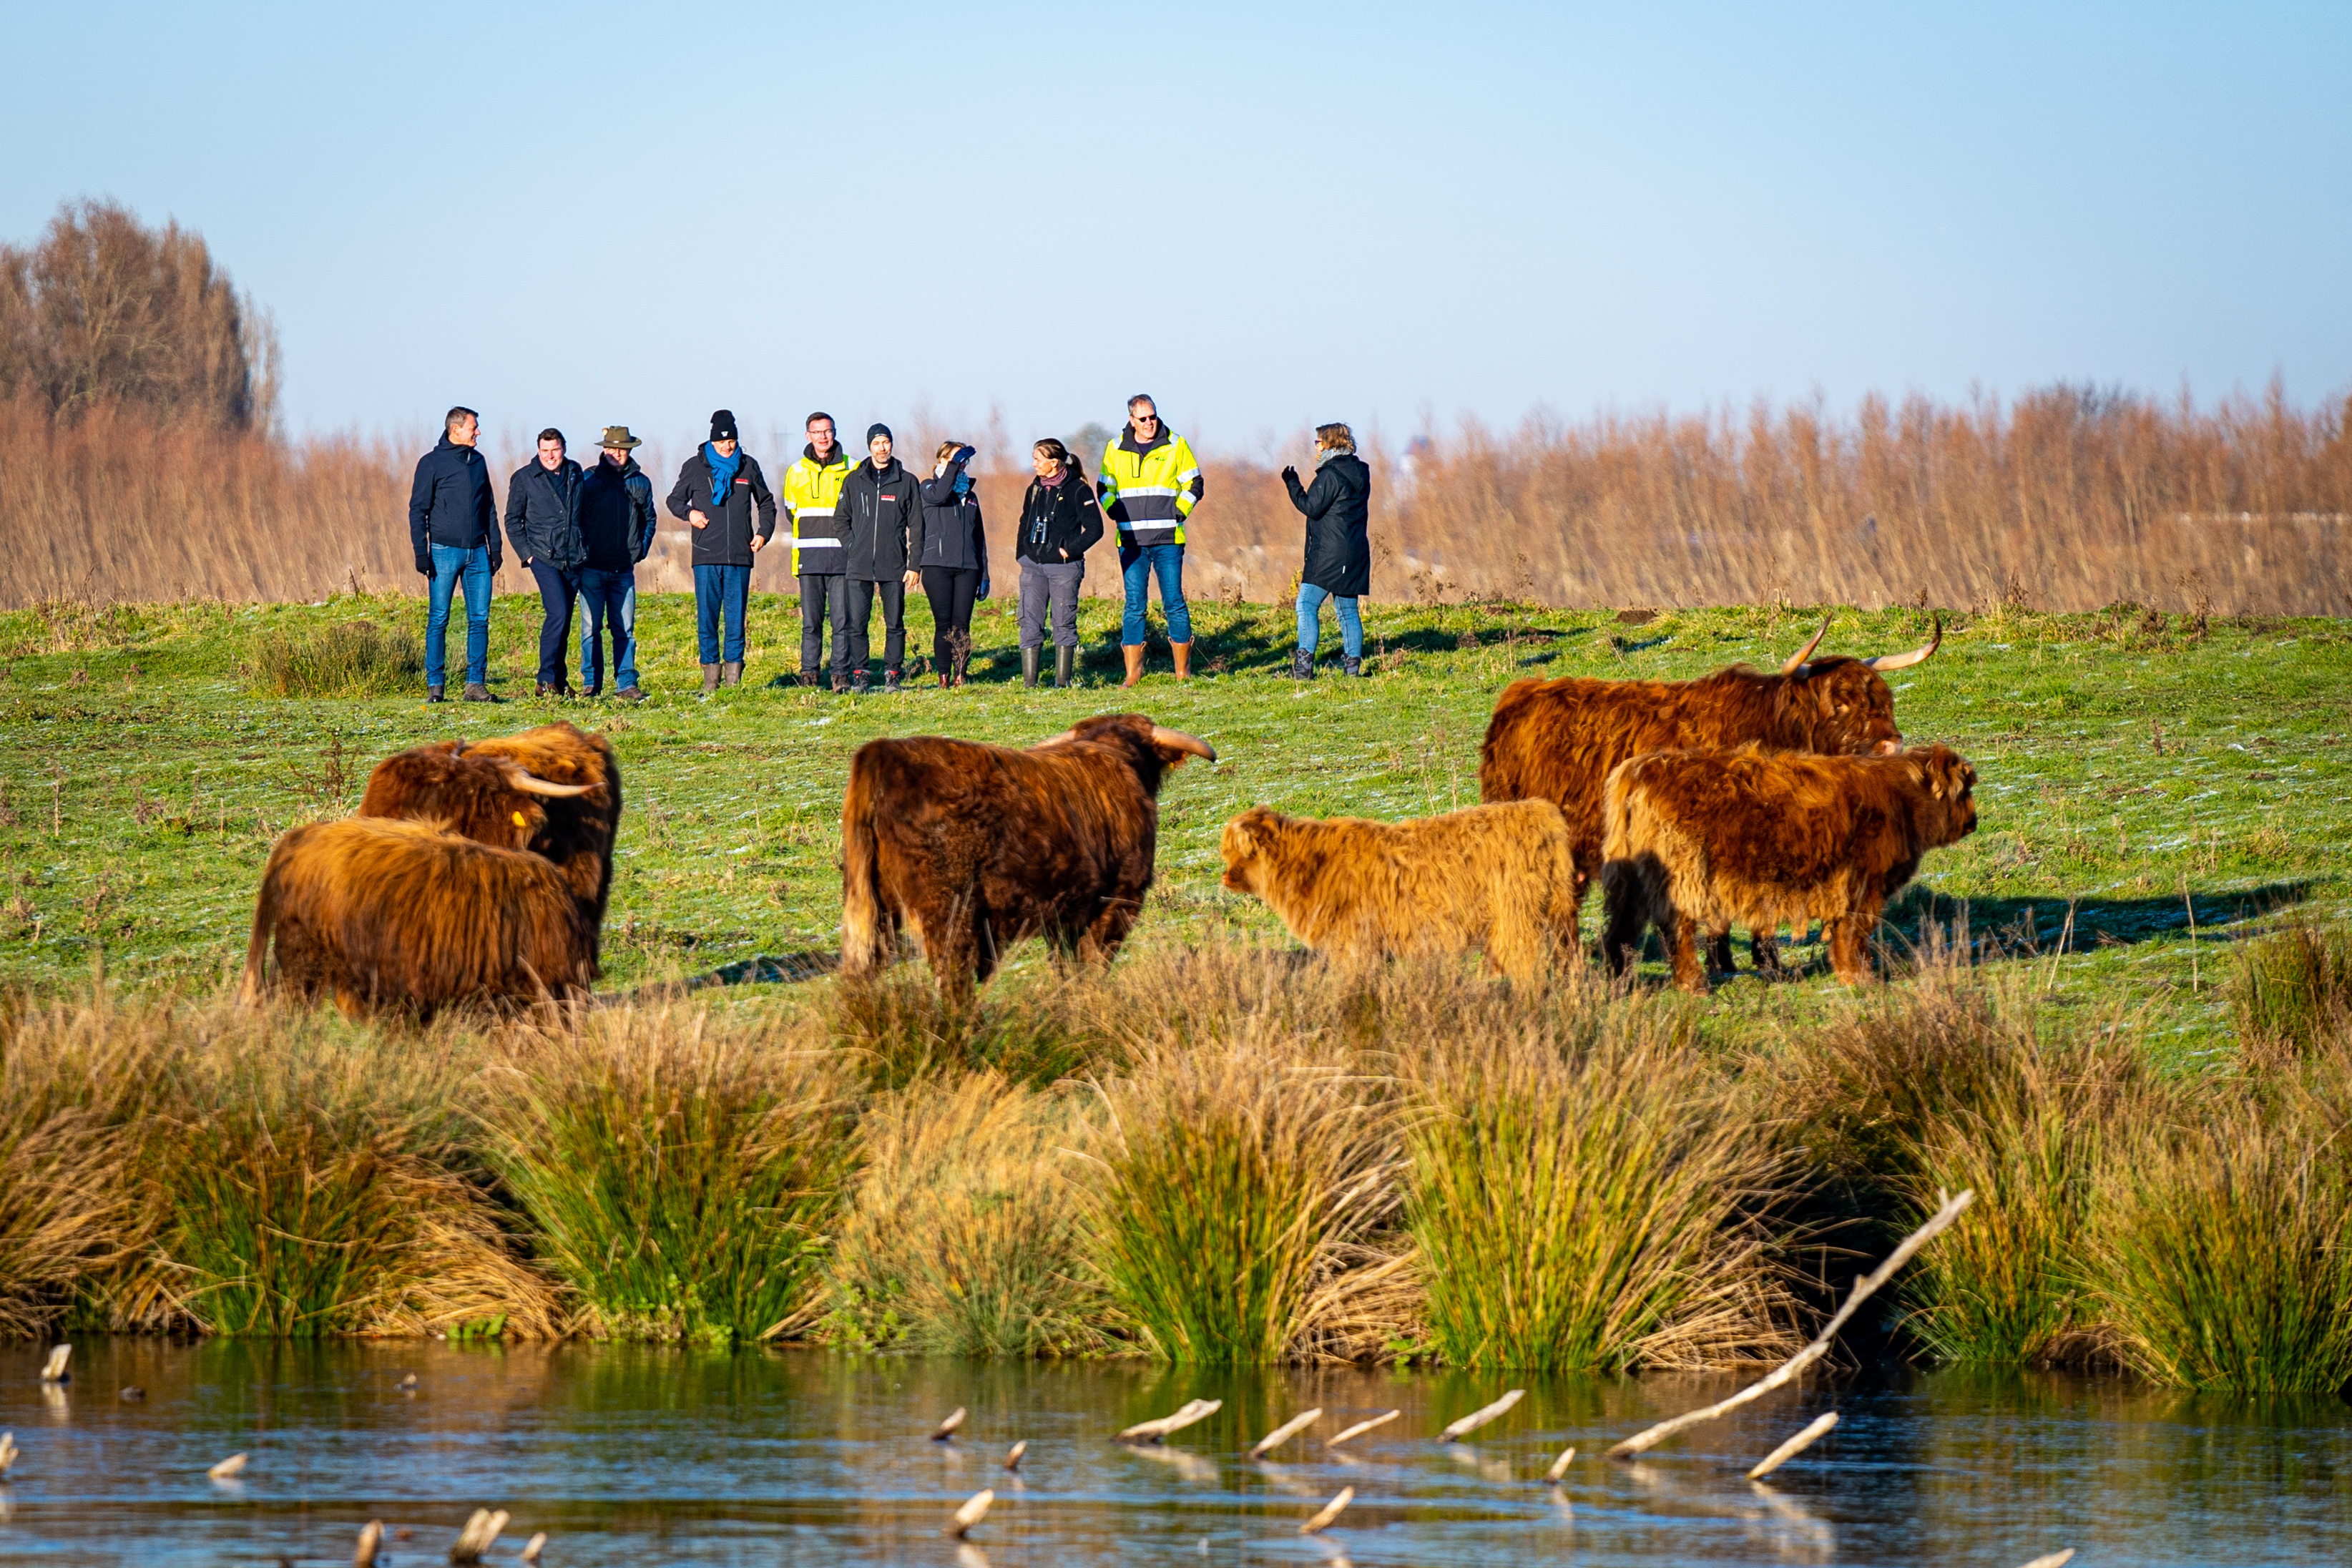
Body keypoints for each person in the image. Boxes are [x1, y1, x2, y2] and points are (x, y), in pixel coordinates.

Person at [667, 408, 775, 694]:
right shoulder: (695, 466)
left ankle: (733, 683)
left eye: (732, 442)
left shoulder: (748, 466)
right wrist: (690, 514)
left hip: (740, 556)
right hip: (705, 555)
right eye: (721, 443)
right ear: (712, 442)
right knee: (708, 619)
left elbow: (766, 503)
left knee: (736, 620)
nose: (728, 447)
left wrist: (764, 532)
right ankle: (710, 683)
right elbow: (673, 500)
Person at [1097, 393, 1202, 686]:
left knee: (1174, 603)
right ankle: (1133, 675)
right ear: (1131, 420)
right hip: (1131, 542)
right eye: (1143, 418)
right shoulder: (1114, 448)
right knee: (1134, 604)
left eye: (1153, 417)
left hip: (1168, 538)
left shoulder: (1176, 444)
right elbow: (1104, 486)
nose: (1149, 423)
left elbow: (1195, 482)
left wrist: (1179, 512)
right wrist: (1115, 511)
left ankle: (1183, 672)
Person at [406, 405, 501, 703]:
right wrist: (421, 552)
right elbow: (417, 510)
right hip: (443, 552)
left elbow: (489, 507)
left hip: (478, 553)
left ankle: (475, 685)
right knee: (439, 619)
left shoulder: (478, 461)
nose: (478, 432)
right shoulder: (431, 463)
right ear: (455, 429)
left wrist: (495, 548)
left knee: (480, 619)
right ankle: (436, 686)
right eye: (474, 427)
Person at [1280, 423, 1373, 679]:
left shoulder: (1331, 475)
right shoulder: (1360, 472)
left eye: (1319, 442)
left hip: (1329, 555)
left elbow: (1311, 507)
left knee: (1306, 604)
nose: (1316, 447)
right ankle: (1352, 671)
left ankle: (1303, 669)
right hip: (1355, 552)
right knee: (1347, 611)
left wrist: (1292, 483)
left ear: (1330, 443)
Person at [838, 422, 921, 694]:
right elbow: (841, 520)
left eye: (885, 442)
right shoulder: (854, 480)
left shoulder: (906, 481)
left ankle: (893, 676)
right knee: (856, 625)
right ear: (869, 446)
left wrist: (914, 565)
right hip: (858, 566)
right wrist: (853, 547)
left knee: (895, 624)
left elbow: (918, 526)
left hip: (894, 565)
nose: (881, 448)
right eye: (876, 443)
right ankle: (861, 676)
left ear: (892, 445)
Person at [576, 425, 657, 701]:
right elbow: (576, 520)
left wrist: (639, 550)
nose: (616, 454)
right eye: (611, 448)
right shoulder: (588, 480)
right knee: (591, 628)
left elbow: (650, 520)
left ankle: (626, 683)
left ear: (629, 451)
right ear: (604, 450)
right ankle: (591, 683)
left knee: (625, 630)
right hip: (592, 569)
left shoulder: (641, 482)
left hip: (623, 569)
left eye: (621, 449)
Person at [1016, 438, 1104, 689]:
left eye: (1038, 459)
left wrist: (1070, 550)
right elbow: (1024, 522)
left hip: (1065, 568)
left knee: (1063, 622)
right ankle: (1029, 685)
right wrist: (1022, 553)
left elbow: (1095, 529)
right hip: (1032, 565)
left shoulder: (1079, 490)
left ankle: (1061, 684)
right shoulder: (1034, 489)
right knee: (1029, 622)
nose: (1033, 464)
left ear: (1054, 463)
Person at [505, 427, 587, 697]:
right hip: (543, 556)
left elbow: (583, 513)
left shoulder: (575, 472)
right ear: (538, 451)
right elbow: (513, 521)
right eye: (544, 451)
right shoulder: (525, 478)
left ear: (563, 448)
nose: (550, 456)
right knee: (558, 613)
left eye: (555, 450)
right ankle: (545, 680)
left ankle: (559, 681)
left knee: (564, 620)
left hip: (573, 557)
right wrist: (528, 554)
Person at [781, 411, 854, 690]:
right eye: (817, 432)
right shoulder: (795, 471)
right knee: (811, 623)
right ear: (808, 436)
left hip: (842, 558)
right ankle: (809, 675)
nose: (823, 437)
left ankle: (840, 676)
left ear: (834, 433)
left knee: (842, 622)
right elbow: (791, 511)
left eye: (828, 431)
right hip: (809, 558)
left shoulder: (853, 467)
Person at [916, 439, 988, 688]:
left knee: (962, 625)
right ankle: (943, 677)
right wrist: (953, 467)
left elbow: (979, 538)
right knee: (943, 625)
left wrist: (984, 574)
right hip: (937, 567)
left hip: (968, 568)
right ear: (942, 460)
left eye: (963, 461)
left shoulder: (971, 496)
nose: (960, 466)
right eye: (954, 460)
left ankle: (961, 675)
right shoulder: (928, 488)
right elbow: (941, 494)